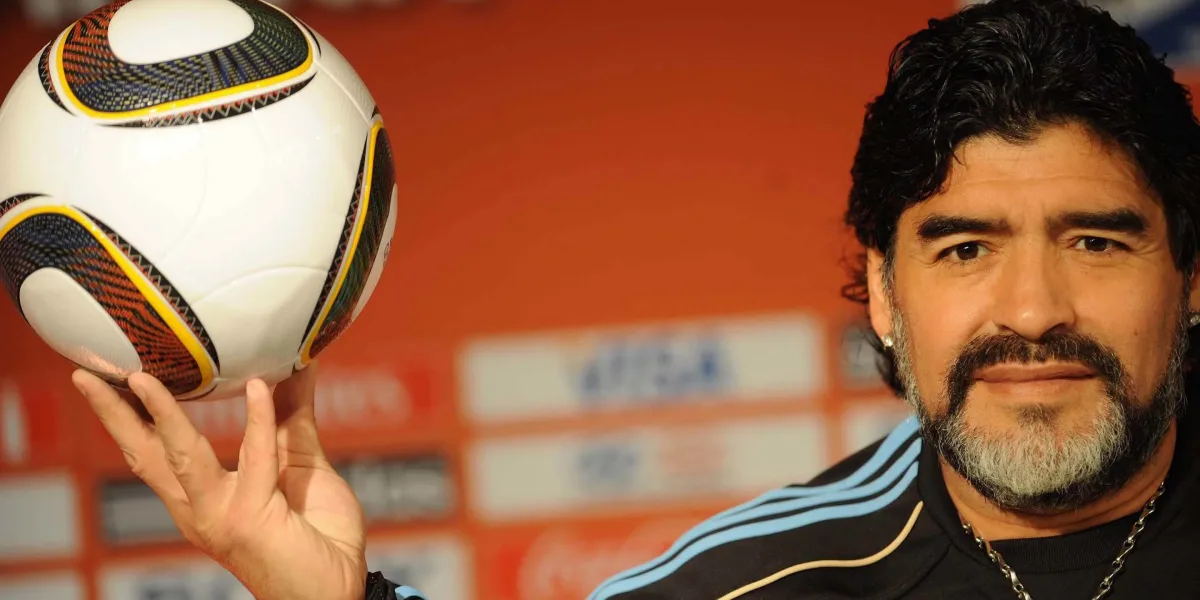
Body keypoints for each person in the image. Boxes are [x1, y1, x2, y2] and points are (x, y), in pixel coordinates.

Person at [74, 0, 1200, 598]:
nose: (1033, 309)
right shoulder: (753, 587)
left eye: (1097, 241)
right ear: (882, 295)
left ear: (1191, 278)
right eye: (963, 249)